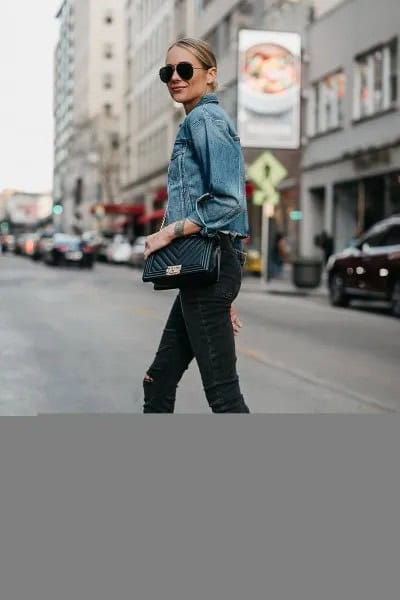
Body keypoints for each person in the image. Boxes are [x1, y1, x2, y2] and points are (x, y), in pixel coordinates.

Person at [142, 38, 250, 413]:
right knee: (158, 380)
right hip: (207, 272)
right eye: (167, 72)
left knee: (223, 395)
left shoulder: (205, 119)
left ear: (211, 74)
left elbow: (229, 200)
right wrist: (225, 285)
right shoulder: (197, 121)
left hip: (210, 271)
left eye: (185, 69)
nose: (175, 77)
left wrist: (166, 234)